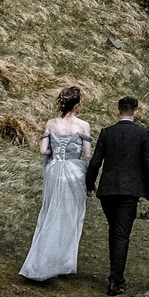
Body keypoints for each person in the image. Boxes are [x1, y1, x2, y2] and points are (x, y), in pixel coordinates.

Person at [84, 95, 149, 295]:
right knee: (121, 234)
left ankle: (116, 276)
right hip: (129, 191)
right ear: (136, 112)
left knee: (114, 231)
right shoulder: (142, 134)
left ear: (118, 111)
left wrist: (90, 185)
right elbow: (148, 166)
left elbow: (95, 163)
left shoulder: (107, 133)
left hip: (107, 190)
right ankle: (115, 281)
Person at [18, 86, 91, 283]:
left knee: (50, 212)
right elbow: (87, 154)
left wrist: (55, 153)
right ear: (76, 105)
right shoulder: (83, 125)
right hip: (74, 172)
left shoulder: (51, 123)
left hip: (54, 171)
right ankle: (62, 262)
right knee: (71, 216)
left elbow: (43, 150)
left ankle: (43, 259)